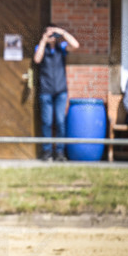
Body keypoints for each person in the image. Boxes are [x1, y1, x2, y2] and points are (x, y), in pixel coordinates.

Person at [33, 24, 80, 161]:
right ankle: (47, 151)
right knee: (47, 122)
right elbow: (37, 59)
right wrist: (43, 40)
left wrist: (63, 32)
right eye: (49, 33)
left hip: (60, 91)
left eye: (53, 34)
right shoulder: (40, 47)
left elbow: (76, 45)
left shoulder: (62, 47)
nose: (51, 36)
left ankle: (60, 152)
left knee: (60, 121)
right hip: (46, 91)